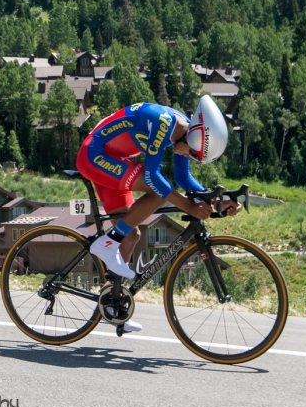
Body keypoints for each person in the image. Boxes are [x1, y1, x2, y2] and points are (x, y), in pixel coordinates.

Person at [76, 96, 241, 332]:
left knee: (131, 234)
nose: (188, 158)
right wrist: (189, 207)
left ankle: (112, 304)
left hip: (114, 160)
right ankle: (108, 242)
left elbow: (184, 180)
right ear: (190, 138)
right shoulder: (164, 123)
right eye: (192, 154)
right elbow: (154, 178)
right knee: (158, 191)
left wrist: (217, 202)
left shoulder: (183, 129)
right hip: (95, 155)